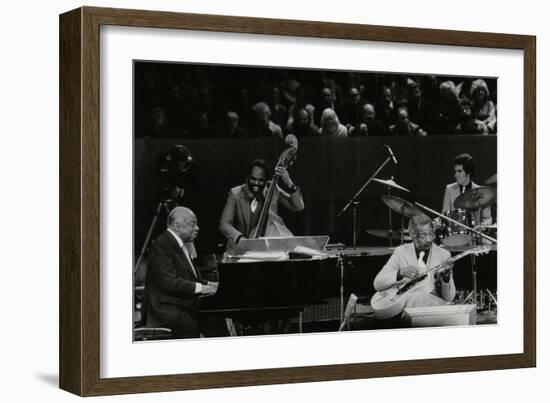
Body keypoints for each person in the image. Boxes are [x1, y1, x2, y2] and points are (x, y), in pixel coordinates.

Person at [144, 207, 219, 338]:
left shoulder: (179, 244)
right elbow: (169, 282)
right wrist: (203, 288)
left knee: (215, 317)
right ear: (177, 226)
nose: (197, 228)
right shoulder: (162, 245)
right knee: (202, 321)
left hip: (182, 305)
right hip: (167, 310)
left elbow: (191, 278)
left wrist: (212, 285)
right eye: (192, 224)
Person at [373, 214, 456, 313]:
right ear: (413, 234)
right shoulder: (401, 252)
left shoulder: (444, 255)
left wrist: (446, 277)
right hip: (405, 309)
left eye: (431, 233)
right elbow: (378, 283)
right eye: (423, 235)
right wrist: (400, 272)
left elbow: (449, 298)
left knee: (418, 296)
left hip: (433, 309)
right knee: (415, 296)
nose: (429, 239)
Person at [219, 159, 304, 250]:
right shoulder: (235, 193)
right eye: (253, 179)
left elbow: (299, 206)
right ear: (247, 177)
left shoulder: (272, 189)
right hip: (240, 248)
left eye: (261, 180)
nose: (256, 183)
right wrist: (241, 239)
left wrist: (290, 184)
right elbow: (224, 224)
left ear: (266, 180)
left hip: (265, 249)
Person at [442, 153, 492, 225]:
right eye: (455, 171)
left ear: (468, 172)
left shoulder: (482, 191)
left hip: (475, 234)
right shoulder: (449, 189)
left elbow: (488, 218)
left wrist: (483, 226)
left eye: (459, 171)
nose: (455, 175)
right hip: (455, 234)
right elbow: (444, 215)